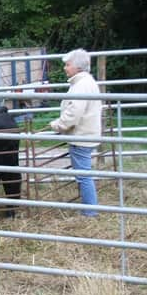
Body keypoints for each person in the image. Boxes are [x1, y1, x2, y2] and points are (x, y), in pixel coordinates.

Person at [49, 49, 102, 217]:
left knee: (83, 176)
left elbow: (73, 113)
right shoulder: (86, 82)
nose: (65, 68)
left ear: (77, 66)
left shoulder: (81, 85)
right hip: (86, 134)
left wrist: (58, 125)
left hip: (81, 136)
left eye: (67, 64)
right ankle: (89, 209)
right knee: (84, 174)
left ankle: (90, 211)